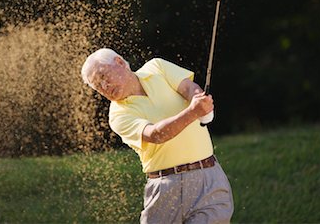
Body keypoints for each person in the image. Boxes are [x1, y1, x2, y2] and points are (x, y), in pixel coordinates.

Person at [81, 48, 234, 224]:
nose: (104, 86)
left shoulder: (157, 66)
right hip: (166, 187)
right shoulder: (118, 115)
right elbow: (156, 135)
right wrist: (193, 112)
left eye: (103, 77)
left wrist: (201, 105)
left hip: (208, 177)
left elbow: (188, 88)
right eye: (98, 86)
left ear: (120, 63)